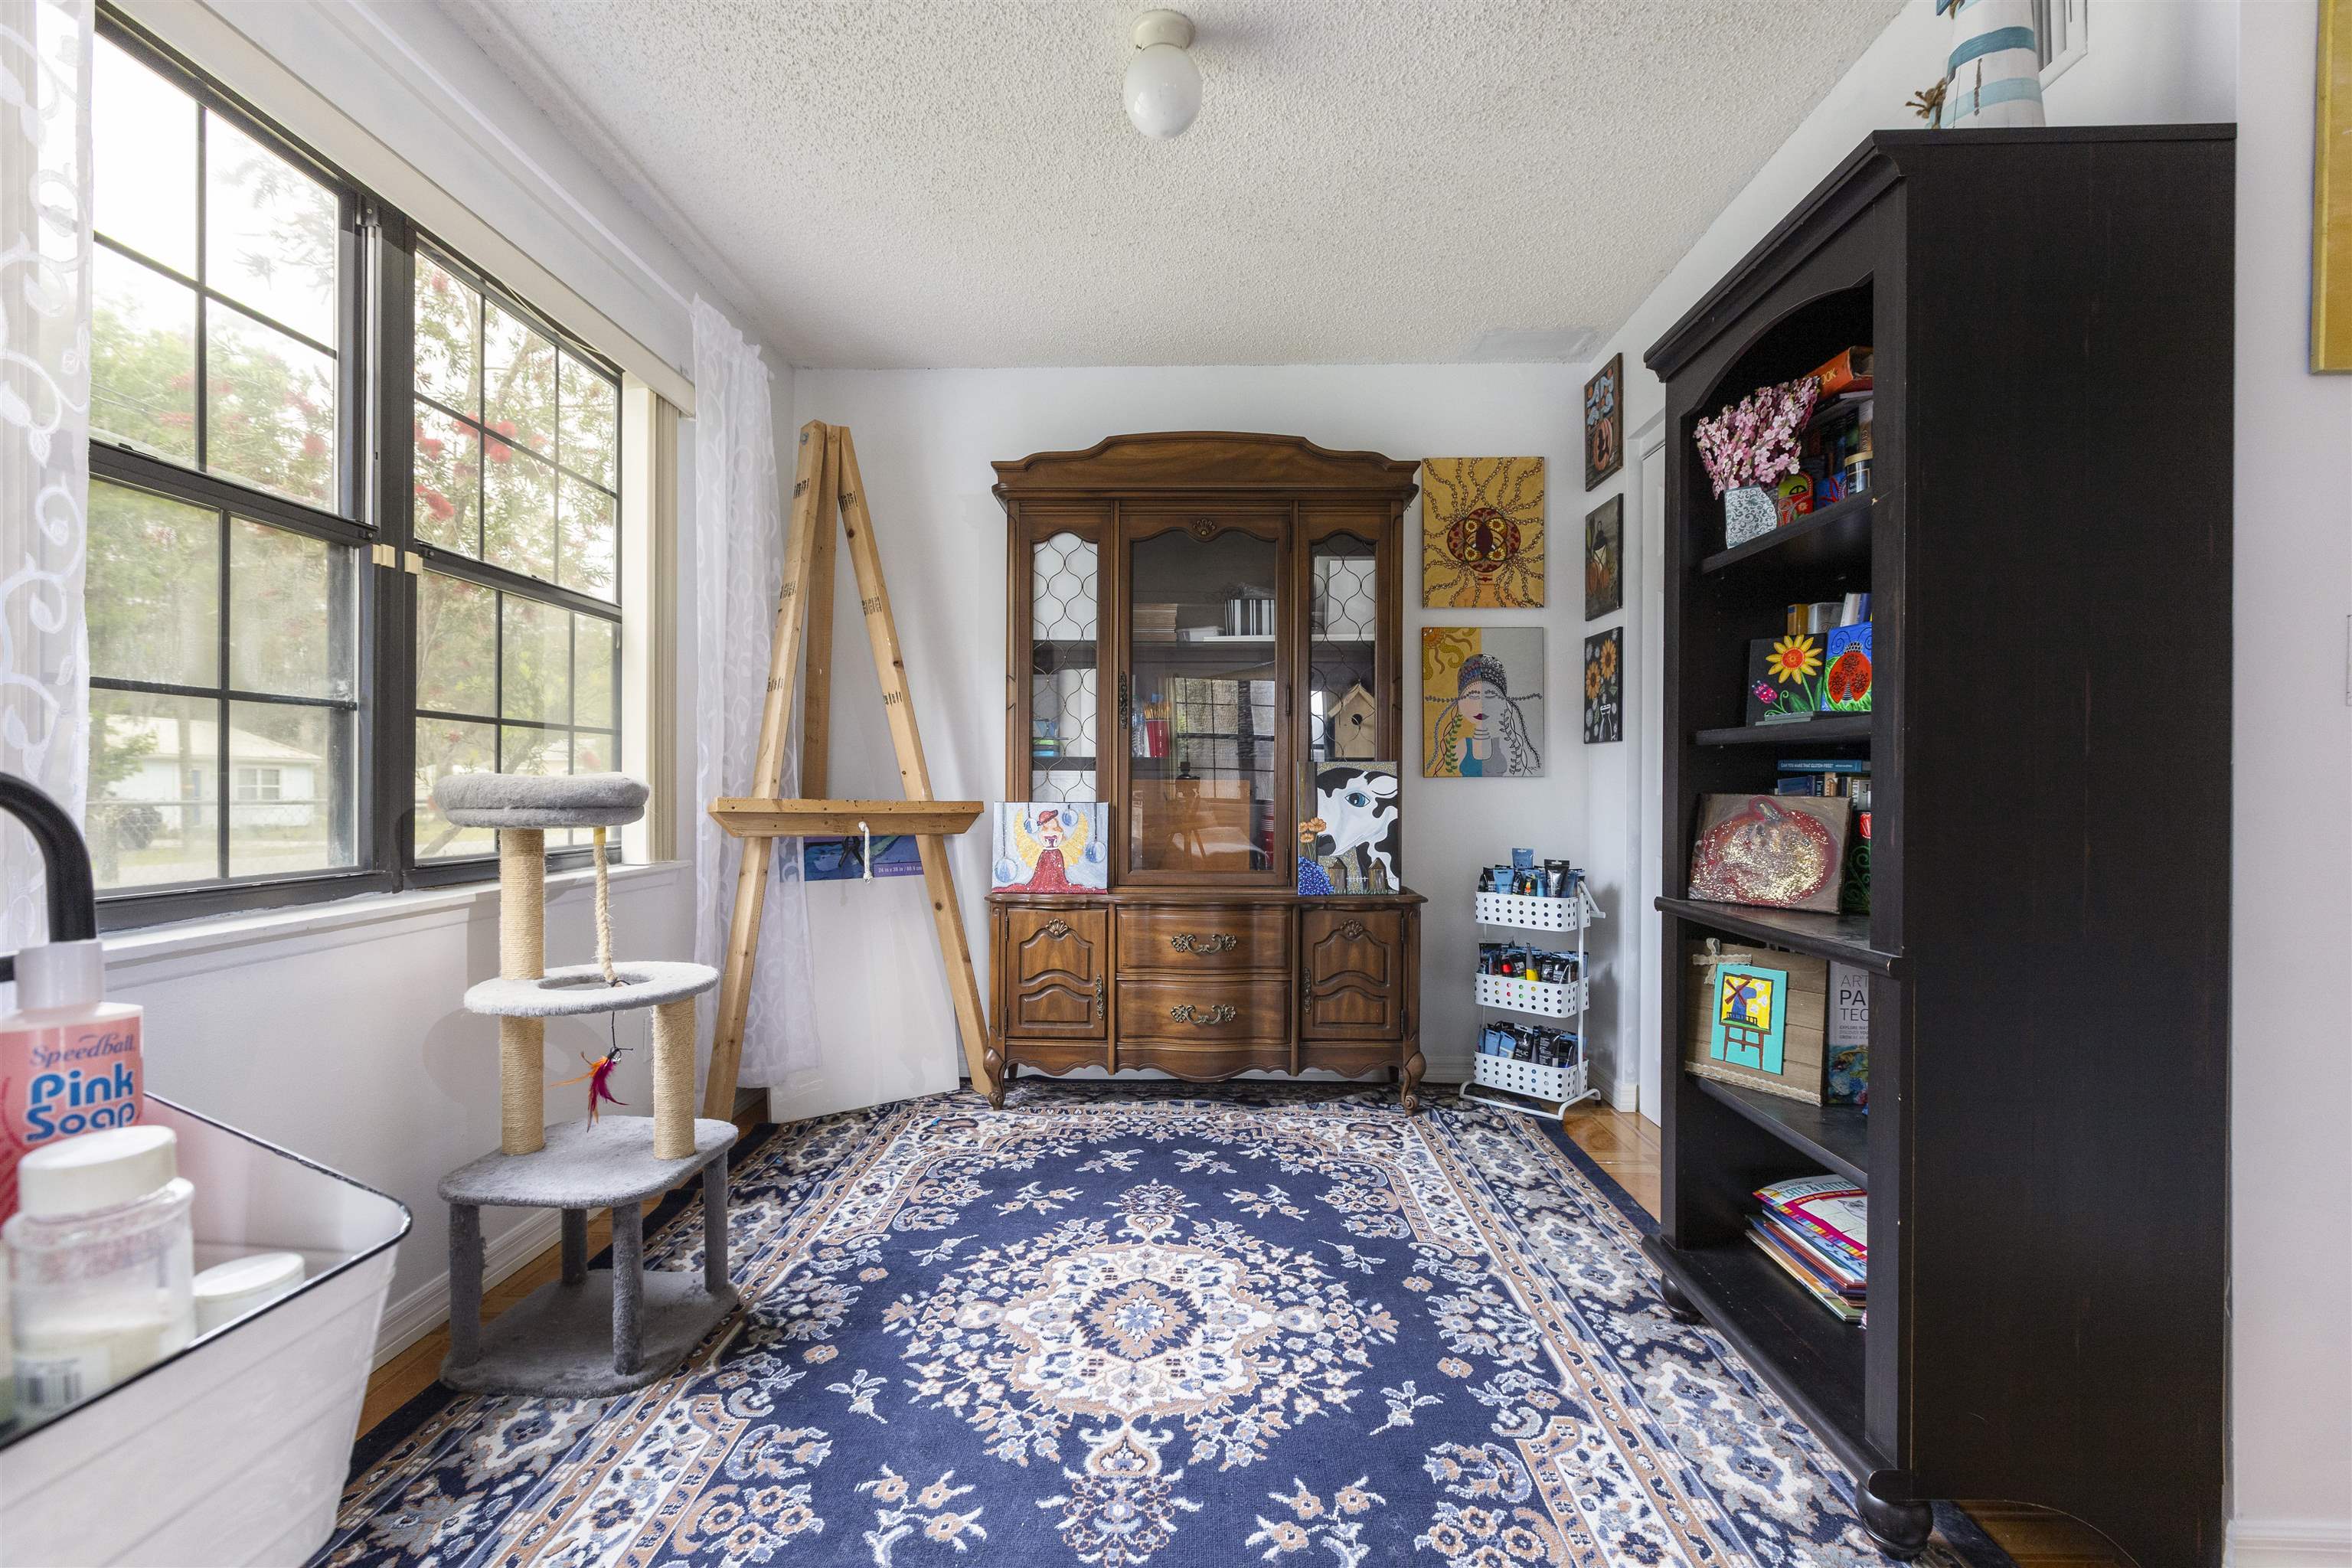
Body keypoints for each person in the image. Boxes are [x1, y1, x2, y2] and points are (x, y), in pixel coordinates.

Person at [1429, 653, 1541, 776]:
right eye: (1473, 696)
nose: (1481, 706)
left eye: (1491, 696)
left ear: (1504, 701)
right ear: (1460, 701)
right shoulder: (1460, 747)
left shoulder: (1511, 745)